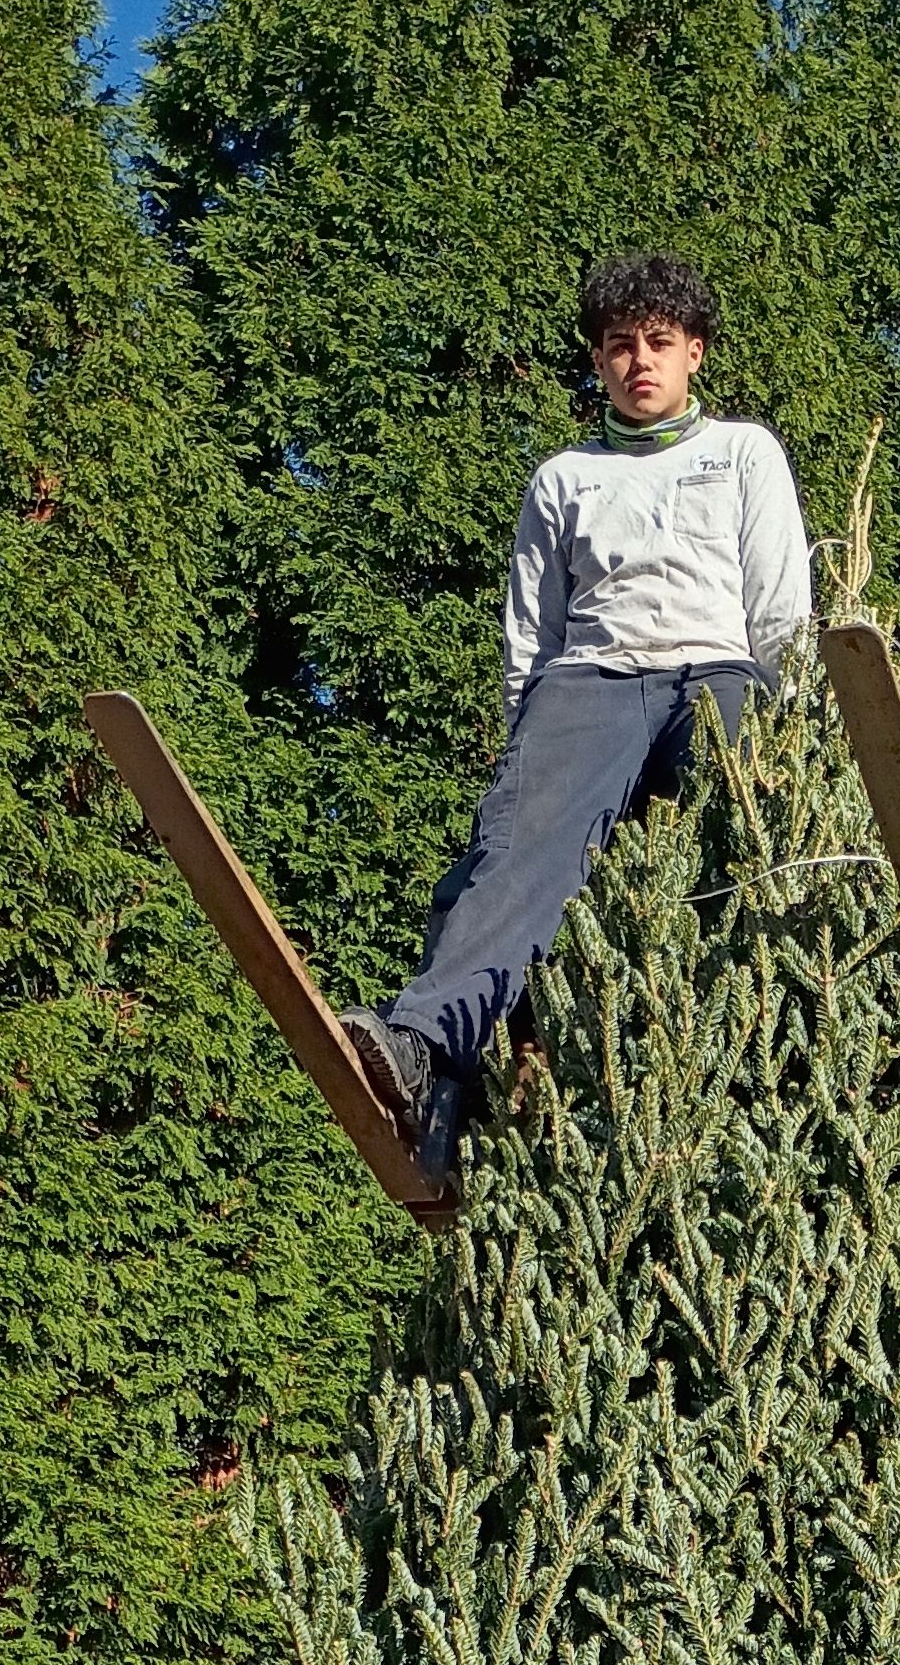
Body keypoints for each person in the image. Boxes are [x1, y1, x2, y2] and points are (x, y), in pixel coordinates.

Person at [343, 252, 812, 1183]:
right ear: (598, 362)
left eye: (659, 343)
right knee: (509, 860)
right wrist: (534, 751)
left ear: (694, 355)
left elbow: (779, 604)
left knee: (740, 840)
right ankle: (421, 1048)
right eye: (619, 346)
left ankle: (752, 1067)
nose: (639, 361)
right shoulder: (565, 477)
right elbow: (531, 628)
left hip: (715, 675)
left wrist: (790, 723)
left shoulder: (742, 452)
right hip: (590, 677)